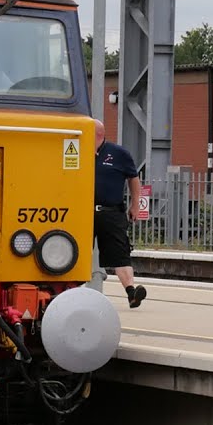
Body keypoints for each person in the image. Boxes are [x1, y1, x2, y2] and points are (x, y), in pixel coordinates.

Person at [93, 118, 146, 308]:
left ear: (98, 134)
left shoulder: (119, 154)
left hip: (111, 212)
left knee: (120, 253)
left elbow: (133, 178)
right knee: (75, 252)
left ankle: (132, 293)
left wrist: (135, 205)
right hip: (82, 213)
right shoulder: (75, 150)